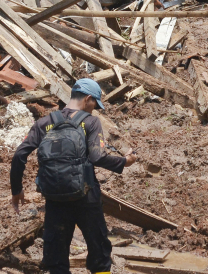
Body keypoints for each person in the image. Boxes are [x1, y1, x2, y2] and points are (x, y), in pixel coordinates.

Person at [11, 79, 137, 274]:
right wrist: (124, 162)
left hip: (55, 199)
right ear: (88, 99)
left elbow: (19, 155)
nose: (94, 109)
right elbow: (98, 157)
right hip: (87, 198)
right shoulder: (91, 122)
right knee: (100, 253)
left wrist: (17, 190)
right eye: (95, 104)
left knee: (55, 258)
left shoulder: (44, 123)